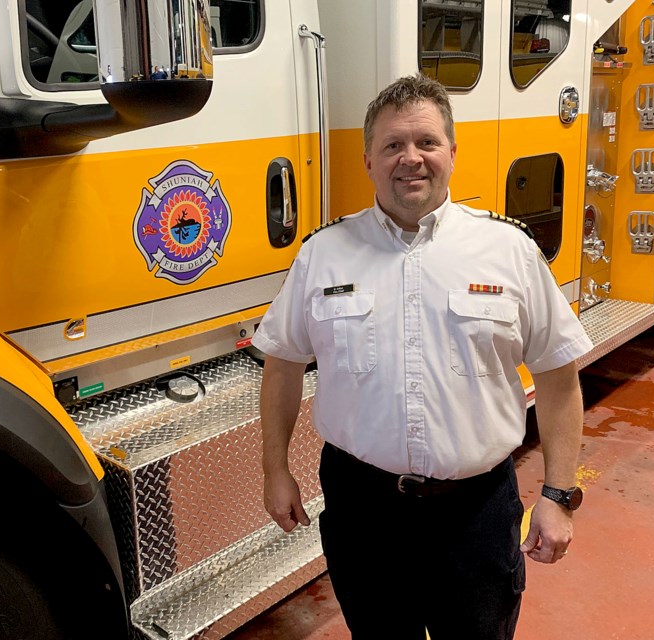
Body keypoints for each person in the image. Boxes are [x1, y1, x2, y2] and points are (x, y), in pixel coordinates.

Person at [252, 74, 592, 639]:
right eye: (392, 145)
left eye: (427, 142)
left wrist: (558, 495)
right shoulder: (323, 255)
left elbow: (559, 378)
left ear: (453, 154)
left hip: (476, 511)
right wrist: (274, 469)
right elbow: (282, 365)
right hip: (363, 510)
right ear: (368, 159)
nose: (411, 159)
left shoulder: (508, 250)